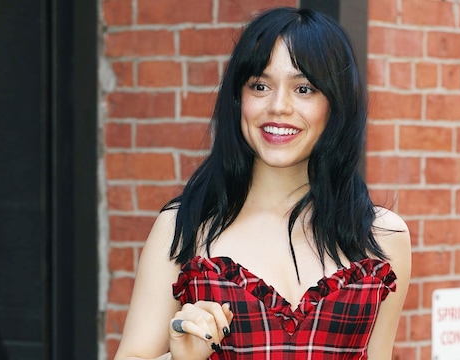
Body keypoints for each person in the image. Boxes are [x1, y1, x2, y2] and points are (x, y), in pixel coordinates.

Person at [114, 6, 411, 360]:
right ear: (238, 97)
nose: (278, 106)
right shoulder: (184, 228)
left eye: (304, 88)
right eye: (260, 85)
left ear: (336, 103)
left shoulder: (382, 238)